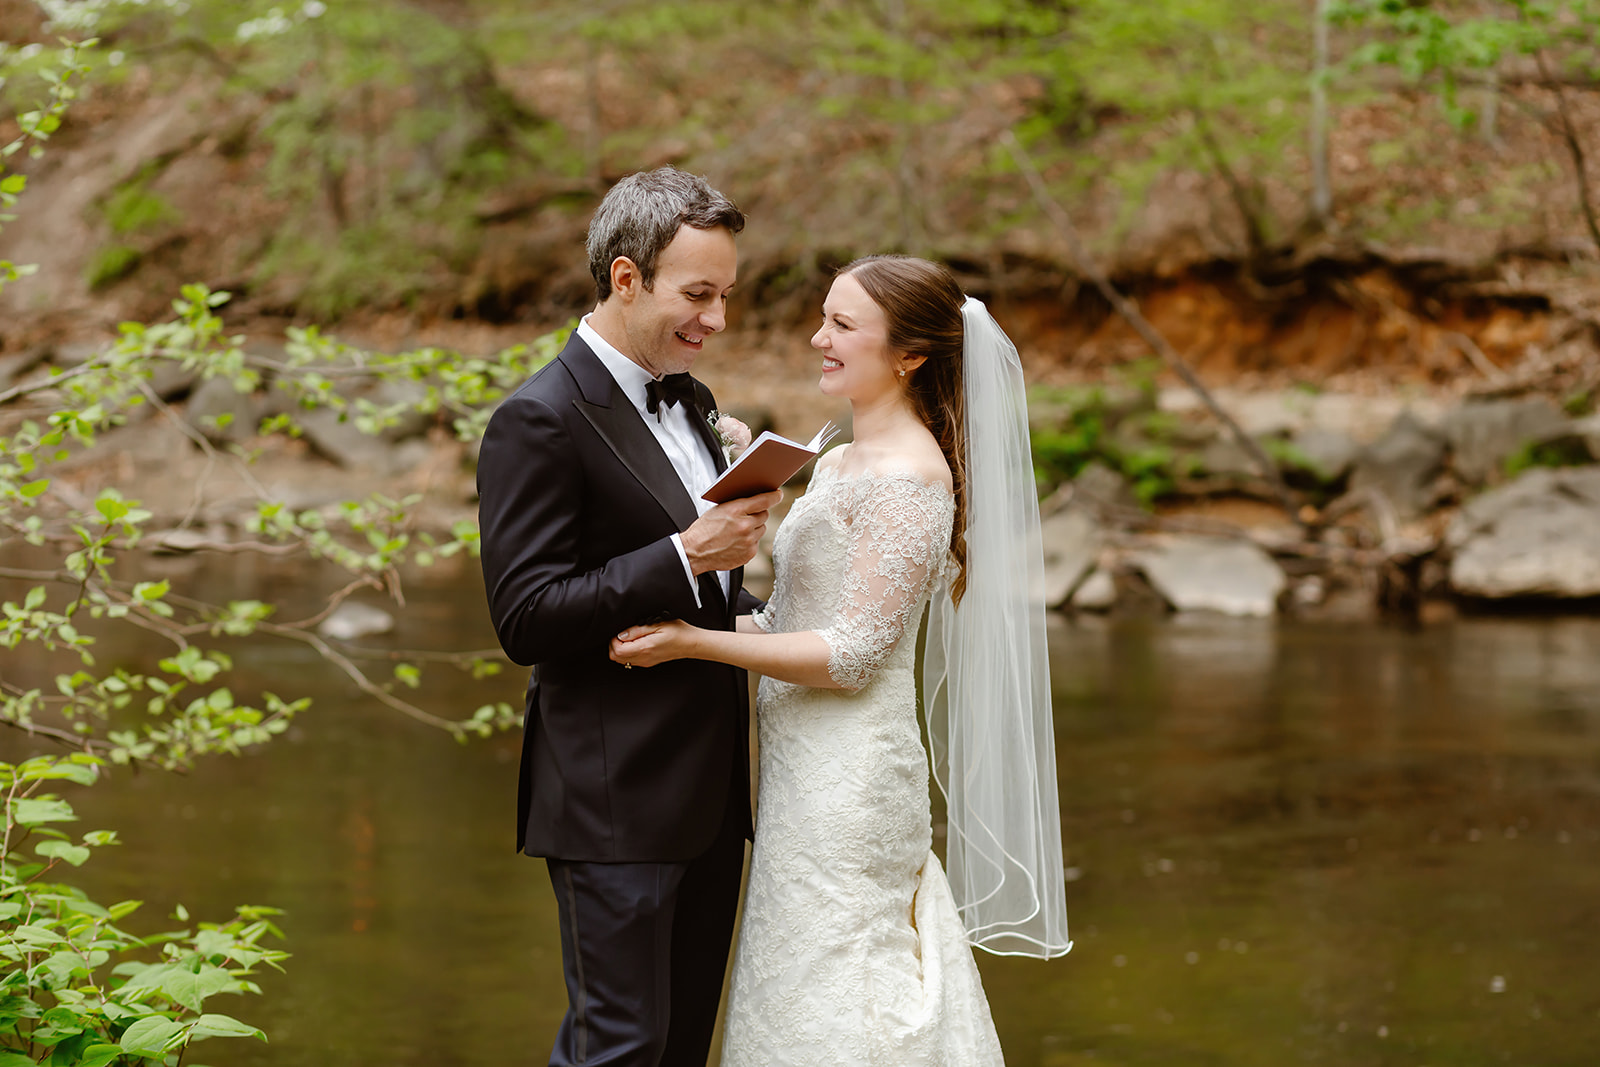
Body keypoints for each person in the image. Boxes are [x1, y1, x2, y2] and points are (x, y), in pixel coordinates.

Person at [611, 255, 1073, 1064]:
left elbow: (852, 656)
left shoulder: (909, 479)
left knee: (843, 981)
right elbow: (799, 622)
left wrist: (690, 643)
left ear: (910, 355)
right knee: (792, 981)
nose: (818, 337)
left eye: (843, 325)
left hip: (852, 783)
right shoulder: (836, 460)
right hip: (797, 772)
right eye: (824, 317)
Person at [476, 167, 781, 1067]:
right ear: (623, 277)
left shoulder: (692, 397)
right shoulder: (537, 418)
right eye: (697, 294)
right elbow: (525, 618)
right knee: (619, 1049)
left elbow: (709, 592)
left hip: (715, 796)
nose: (716, 320)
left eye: (726, 295)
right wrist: (687, 553)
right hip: (613, 798)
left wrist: (757, 608)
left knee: (683, 1048)